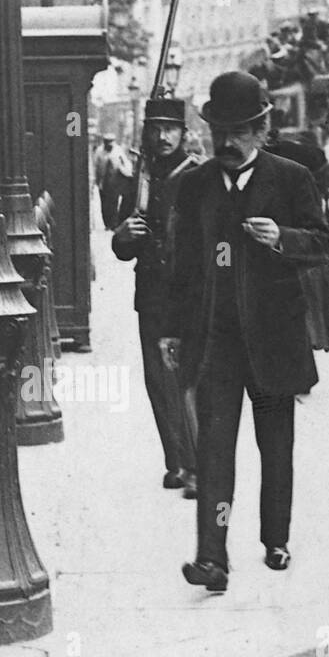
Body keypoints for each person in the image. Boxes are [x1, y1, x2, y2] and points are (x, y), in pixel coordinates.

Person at [160, 71, 329, 592]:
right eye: (220, 132)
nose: (227, 143)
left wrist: (283, 237)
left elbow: (323, 243)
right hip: (216, 342)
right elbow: (182, 265)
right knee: (214, 452)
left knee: (275, 446)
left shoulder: (291, 178)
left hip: (275, 338)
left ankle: (275, 540)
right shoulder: (194, 186)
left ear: (262, 129)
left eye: (239, 132)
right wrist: (171, 330)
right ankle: (211, 558)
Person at [112, 98, 200, 495]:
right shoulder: (140, 175)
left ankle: (198, 465)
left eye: (171, 129)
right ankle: (176, 462)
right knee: (156, 379)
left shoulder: (198, 175)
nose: (163, 136)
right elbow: (123, 243)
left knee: (188, 377)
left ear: (184, 132)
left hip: (188, 292)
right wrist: (123, 235)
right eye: (156, 129)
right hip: (150, 292)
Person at [93, 133, 130, 230]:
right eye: (107, 143)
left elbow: (126, 163)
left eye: (111, 143)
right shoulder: (99, 151)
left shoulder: (118, 150)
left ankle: (113, 224)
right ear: (104, 142)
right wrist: (95, 181)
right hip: (103, 182)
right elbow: (95, 166)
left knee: (113, 202)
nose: (109, 145)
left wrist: (125, 172)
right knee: (104, 204)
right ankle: (107, 223)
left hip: (114, 182)